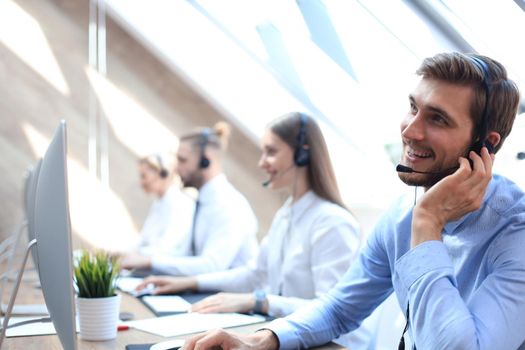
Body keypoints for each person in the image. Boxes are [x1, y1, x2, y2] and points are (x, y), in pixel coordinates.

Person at [180, 52, 525, 350]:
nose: (409, 131)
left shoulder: (515, 234)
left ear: (486, 144)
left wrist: (429, 225)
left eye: (437, 118)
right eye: (413, 107)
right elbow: (340, 308)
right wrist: (262, 338)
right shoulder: (402, 215)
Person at [138, 112, 379, 349]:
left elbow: (329, 311)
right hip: (285, 336)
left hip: (331, 345)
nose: (261, 162)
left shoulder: (332, 222)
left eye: (271, 152)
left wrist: (258, 301)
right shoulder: (287, 214)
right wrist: (187, 282)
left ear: (303, 153)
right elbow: (255, 273)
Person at [121, 122, 259, 276]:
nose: (175, 168)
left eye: (182, 160)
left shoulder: (231, 205)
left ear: (205, 160)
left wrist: (150, 261)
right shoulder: (202, 202)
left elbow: (212, 266)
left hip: (231, 296)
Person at [129, 153, 196, 258]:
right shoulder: (159, 202)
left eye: (144, 176)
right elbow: (144, 239)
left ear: (162, 174)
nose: (141, 183)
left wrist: (133, 255)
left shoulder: (180, 204)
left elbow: (167, 250)